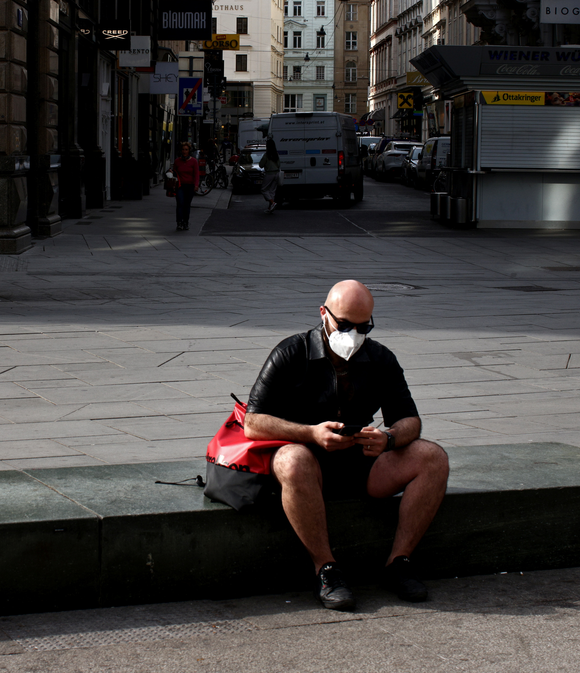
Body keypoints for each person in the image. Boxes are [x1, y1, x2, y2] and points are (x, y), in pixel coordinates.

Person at [244, 280, 450, 610]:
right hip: (307, 463)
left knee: (432, 457)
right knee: (292, 460)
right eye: (344, 325)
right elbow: (253, 423)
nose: (353, 334)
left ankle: (399, 562)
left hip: (362, 462)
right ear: (323, 313)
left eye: (363, 326)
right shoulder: (291, 352)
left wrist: (388, 438)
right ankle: (326, 569)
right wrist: (311, 433)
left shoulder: (380, 358)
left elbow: (409, 420)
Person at [170, 142, 199, 231]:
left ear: (189, 151)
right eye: (183, 149)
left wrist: (196, 185)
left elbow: (196, 174)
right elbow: (175, 173)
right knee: (180, 203)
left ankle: (185, 222)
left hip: (190, 186)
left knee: (187, 205)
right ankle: (179, 222)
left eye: (186, 150)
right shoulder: (177, 161)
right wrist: (171, 173)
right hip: (180, 185)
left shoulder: (193, 161)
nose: (184, 151)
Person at [259, 137, 281, 214]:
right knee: (272, 191)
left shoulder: (266, 155)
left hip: (269, 173)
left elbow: (261, 165)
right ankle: (270, 207)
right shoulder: (276, 154)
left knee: (264, 189)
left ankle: (272, 203)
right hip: (277, 173)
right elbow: (279, 164)